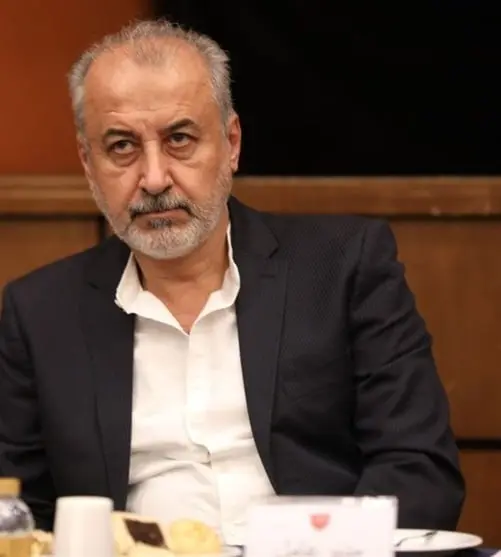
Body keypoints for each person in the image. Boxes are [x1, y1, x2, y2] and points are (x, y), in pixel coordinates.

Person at [0, 19, 464, 543]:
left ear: (231, 143)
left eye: (179, 139)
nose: (154, 179)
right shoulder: (40, 313)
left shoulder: (342, 269)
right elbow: (19, 513)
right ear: (89, 163)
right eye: (122, 146)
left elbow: (419, 472)